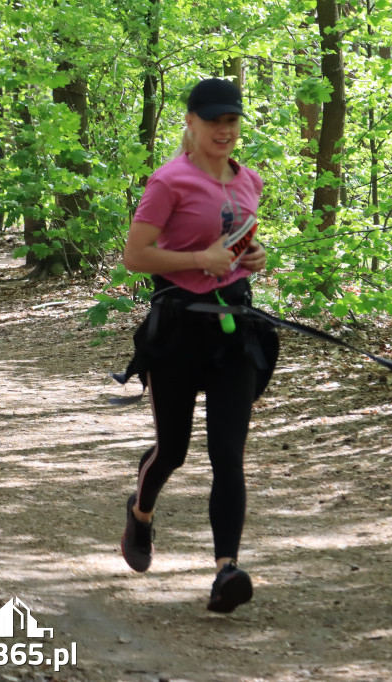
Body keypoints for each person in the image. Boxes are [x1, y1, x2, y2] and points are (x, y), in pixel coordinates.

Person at [116, 77, 277, 614]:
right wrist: (196, 262)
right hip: (180, 333)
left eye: (231, 120)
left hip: (235, 333)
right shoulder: (170, 181)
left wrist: (252, 258)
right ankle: (140, 515)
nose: (224, 130)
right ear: (190, 122)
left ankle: (225, 571)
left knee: (228, 456)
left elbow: (238, 244)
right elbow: (136, 256)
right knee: (174, 452)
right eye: (213, 121)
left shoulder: (249, 180)